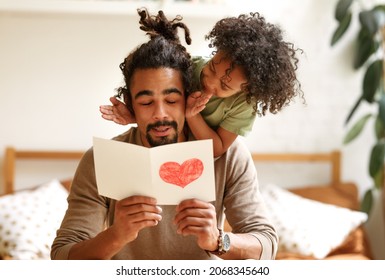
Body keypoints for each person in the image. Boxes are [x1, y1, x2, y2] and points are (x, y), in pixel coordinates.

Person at [51, 9, 278, 260]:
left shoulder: (230, 156)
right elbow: (62, 256)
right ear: (130, 103)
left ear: (190, 95)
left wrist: (218, 240)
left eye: (171, 100)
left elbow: (266, 244)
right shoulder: (100, 161)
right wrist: (116, 234)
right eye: (147, 103)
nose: (160, 114)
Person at [100, 11, 304, 157]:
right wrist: (134, 116)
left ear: (247, 89)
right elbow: (164, 112)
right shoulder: (192, 67)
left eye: (224, 86)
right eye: (213, 67)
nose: (209, 82)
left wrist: (193, 114)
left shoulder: (243, 105)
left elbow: (216, 149)